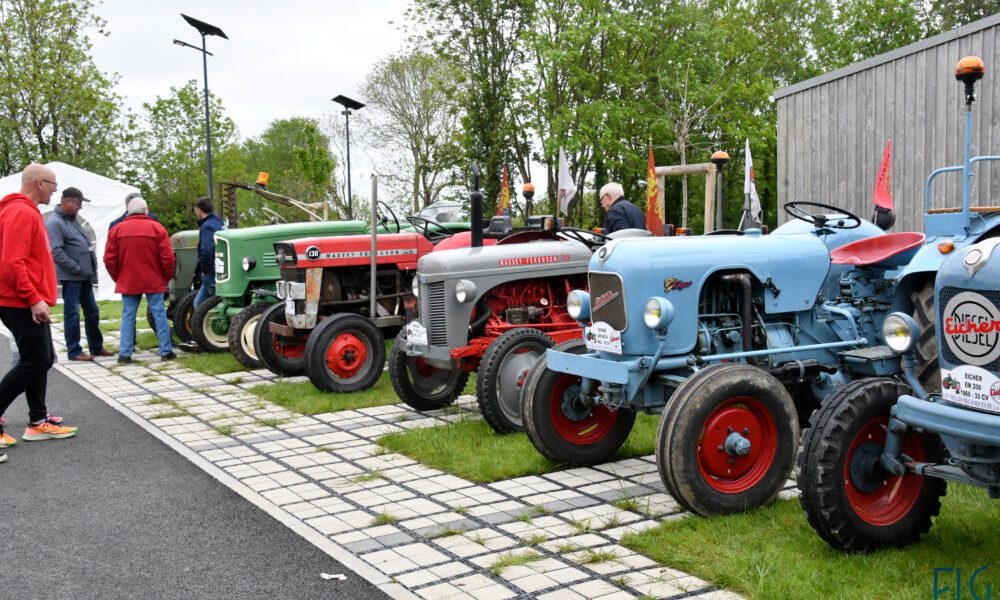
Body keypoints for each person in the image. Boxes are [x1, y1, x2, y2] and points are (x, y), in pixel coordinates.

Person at [0, 163, 80, 463]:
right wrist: (34, 298)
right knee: (37, 359)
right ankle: (32, 420)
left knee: (41, 359)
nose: (55, 191)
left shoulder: (20, 210)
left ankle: (37, 422)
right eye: (53, 185)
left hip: (23, 299)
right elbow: (12, 262)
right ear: (38, 182)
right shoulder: (20, 212)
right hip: (20, 300)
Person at [104, 197, 176, 363]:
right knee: (159, 314)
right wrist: (165, 277)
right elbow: (168, 258)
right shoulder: (157, 228)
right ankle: (166, 351)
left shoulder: (116, 230)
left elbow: (109, 259)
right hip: (153, 278)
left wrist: (119, 277)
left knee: (128, 315)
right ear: (146, 210)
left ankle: (125, 354)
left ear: (128, 211)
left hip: (129, 279)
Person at [46, 186, 113, 361]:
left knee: (92, 312)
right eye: (78, 203)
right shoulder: (55, 222)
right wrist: (76, 267)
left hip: (84, 276)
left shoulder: (72, 220)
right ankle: (74, 351)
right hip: (72, 277)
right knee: (72, 314)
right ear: (67, 201)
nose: (80, 207)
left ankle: (96, 347)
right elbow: (56, 252)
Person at [193, 196, 225, 308]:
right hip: (221, 267)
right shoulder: (220, 223)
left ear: (199, 210)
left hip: (211, 271)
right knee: (198, 304)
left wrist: (204, 270)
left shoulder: (206, 227)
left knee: (209, 304)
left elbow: (207, 250)